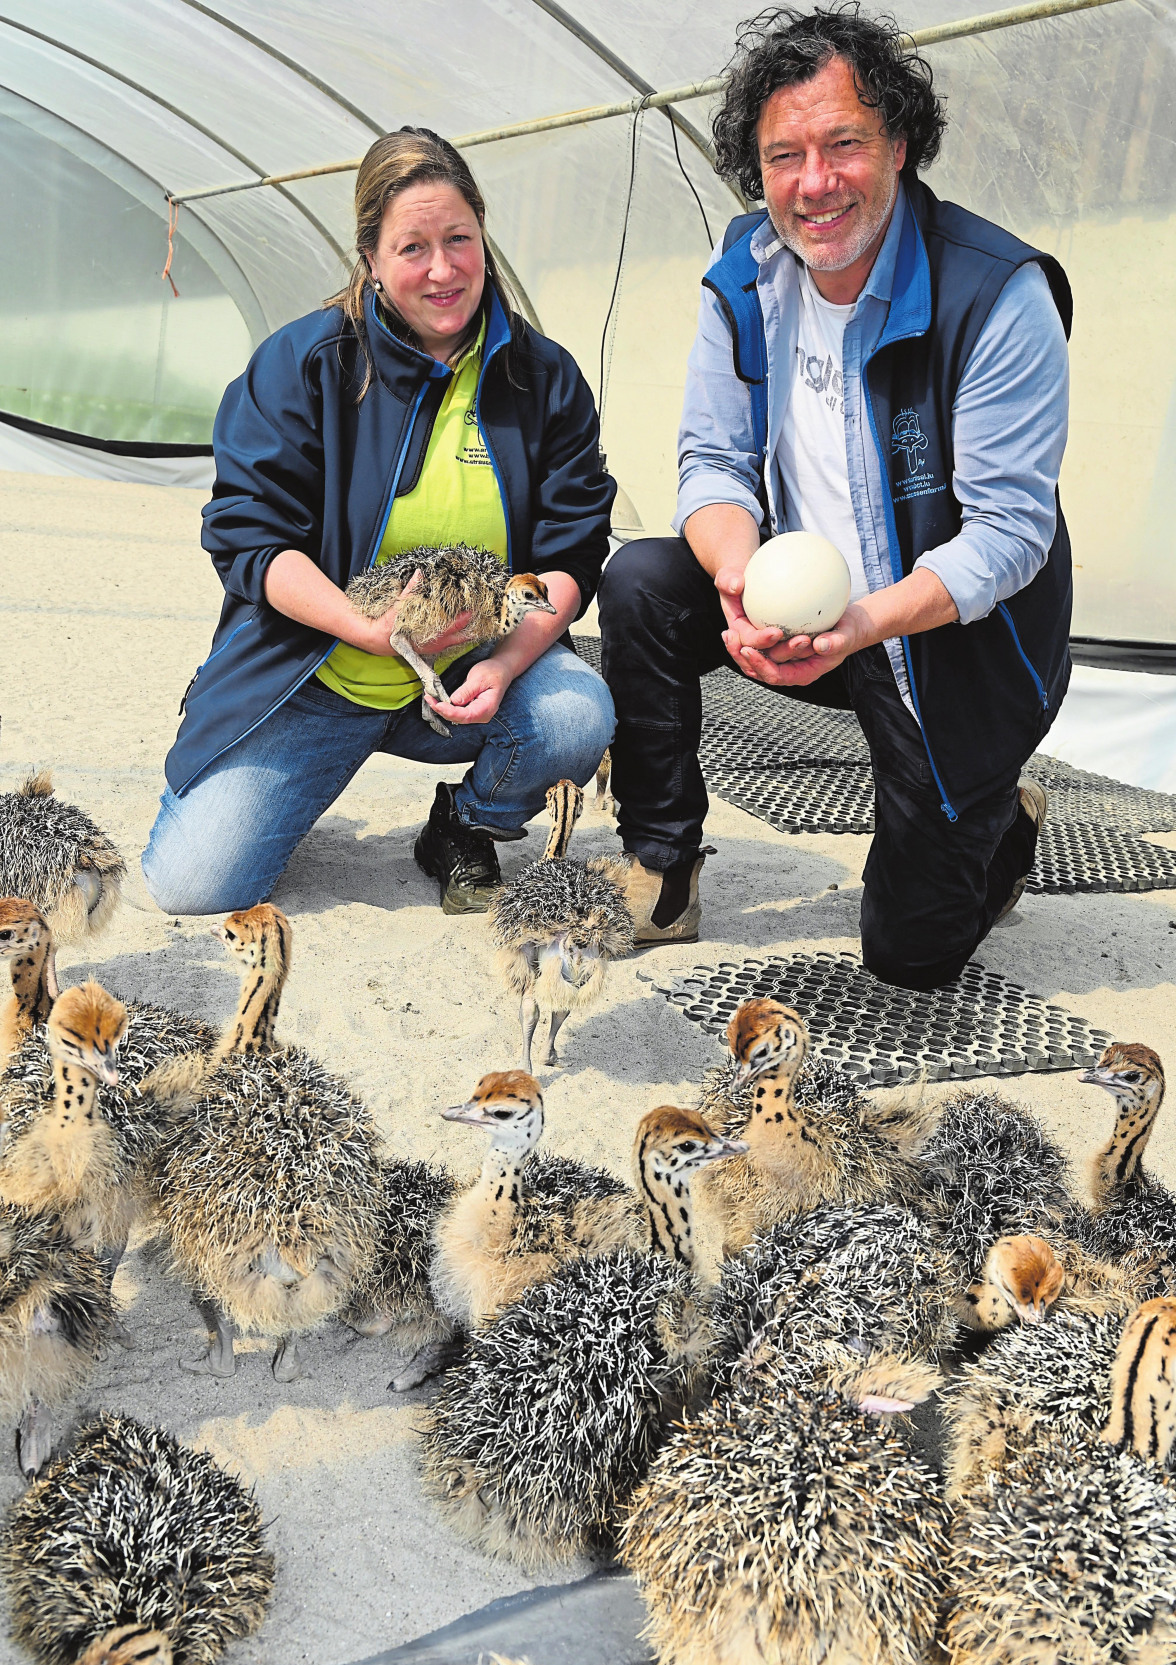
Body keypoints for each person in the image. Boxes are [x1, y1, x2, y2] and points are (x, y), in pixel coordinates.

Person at [598, 4, 1071, 990]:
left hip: (948, 642)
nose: (814, 184)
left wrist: (859, 624)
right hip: (809, 608)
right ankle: (664, 864)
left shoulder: (994, 294)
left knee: (910, 954)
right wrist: (735, 576)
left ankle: (1001, 821)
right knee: (641, 581)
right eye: (784, 156)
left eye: (842, 144)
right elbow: (714, 464)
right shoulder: (748, 274)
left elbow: (1009, 535)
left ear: (899, 144)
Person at [142, 128, 615, 918]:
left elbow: (571, 551)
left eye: (459, 239)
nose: (442, 269)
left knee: (575, 715)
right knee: (194, 887)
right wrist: (366, 630)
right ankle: (283, 765)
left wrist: (500, 667)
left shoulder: (542, 376)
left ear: (482, 233)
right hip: (321, 668)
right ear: (369, 258)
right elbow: (251, 538)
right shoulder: (304, 366)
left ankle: (465, 822)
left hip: (472, 674)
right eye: (412, 248)